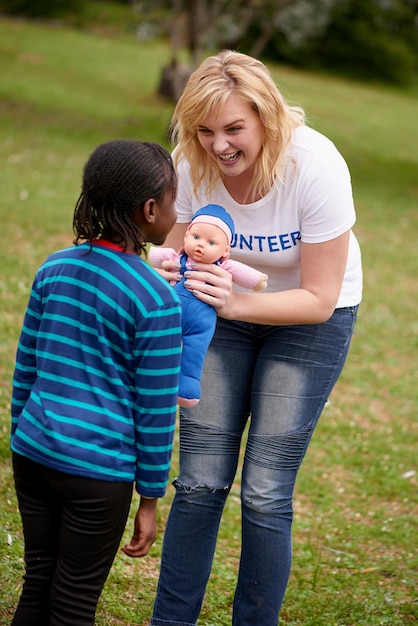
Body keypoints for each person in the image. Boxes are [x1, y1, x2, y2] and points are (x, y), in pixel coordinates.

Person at [147, 50, 363, 626]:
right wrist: (164, 271)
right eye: (205, 130)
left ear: (267, 116)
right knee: (199, 479)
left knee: (266, 489)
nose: (219, 145)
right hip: (216, 317)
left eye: (234, 128)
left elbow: (318, 298)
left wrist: (238, 299)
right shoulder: (191, 163)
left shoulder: (314, 164)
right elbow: (171, 250)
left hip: (310, 322)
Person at [10, 139, 183, 626]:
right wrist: (150, 498)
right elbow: (154, 413)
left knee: (38, 582)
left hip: (33, 454)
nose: (177, 210)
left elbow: (27, 366)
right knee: (73, 603)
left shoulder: (54, 268)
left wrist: (22, 435)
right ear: (150, 210)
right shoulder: (155, 301)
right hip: (96, 477)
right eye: (174, 199)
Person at [149, 203, 268, 407]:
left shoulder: (224, 266)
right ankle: (151, 378)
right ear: (186, 236)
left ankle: (187, 387)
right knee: (159, 343)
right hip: (170, 313)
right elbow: (153, 256)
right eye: (196, 237)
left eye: (211, 242)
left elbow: (252, 279)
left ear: (225, 251)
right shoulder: (175, 258)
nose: (201, 245)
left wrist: (259, 281)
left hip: (200, 321)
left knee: (195, 351)